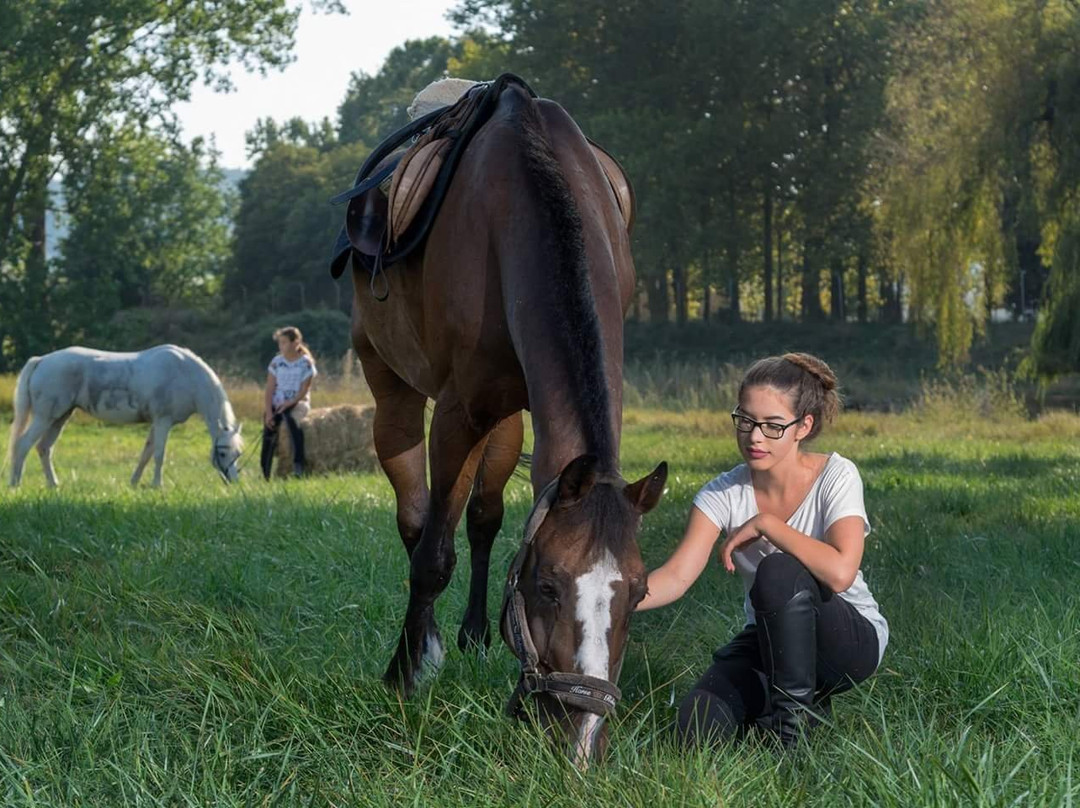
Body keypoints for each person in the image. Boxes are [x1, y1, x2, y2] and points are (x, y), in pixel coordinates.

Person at [637, 353, 887, 748]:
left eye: (772, 426)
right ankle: (786, 705)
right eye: (746, 421)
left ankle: (791, 737)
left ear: (803, 426)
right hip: (772, 638)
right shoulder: (721, 493)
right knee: (695, 729)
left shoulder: (837, 475)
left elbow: (841, 572)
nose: (755, 436)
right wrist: (606, 599)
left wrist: (768, 525)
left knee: (778, 570)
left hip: (846, 640)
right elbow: (675, 577)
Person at [260, 326, 317, 480]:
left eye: (284, 342)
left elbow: (304, 390)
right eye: (280, 343)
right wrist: (269, 413)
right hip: (278, 403)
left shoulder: (306, 364)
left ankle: (299, 465)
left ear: (296, 342)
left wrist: (290, 403)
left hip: (298, 402)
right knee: (269, 430)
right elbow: (269, 389)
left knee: (292, 423)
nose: (281, 346)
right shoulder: (276, 363)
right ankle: (265, 471)